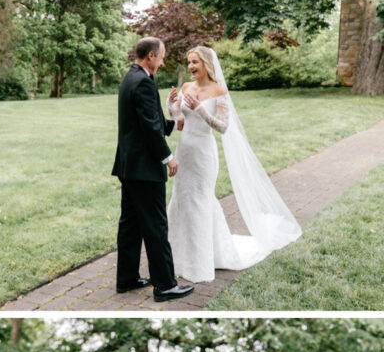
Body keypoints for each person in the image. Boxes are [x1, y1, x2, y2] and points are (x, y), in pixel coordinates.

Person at [166, 46, 301, 283]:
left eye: (195, 62)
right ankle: (177, 258)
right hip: (185, 150)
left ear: (207, 63)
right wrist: (171, 105)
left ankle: (202, 261)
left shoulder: (219, 91)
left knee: (200, 200)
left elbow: (223, 127)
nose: (191, 67)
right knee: (182, 199)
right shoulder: (187, 87)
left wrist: (200, 109)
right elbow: (176, 117)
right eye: (189, 62)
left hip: (203, 153)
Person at [112, 37, 195, 302]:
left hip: (129, 166)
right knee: (157, 225)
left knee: (131, 224)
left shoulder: (131, 78)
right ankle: (165, 285)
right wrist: (168, 157)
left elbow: (150, 119)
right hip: (145, 168)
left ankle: (127, 279)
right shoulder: (144, 82)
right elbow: (148, 126)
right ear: (150, 56)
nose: (162, 61)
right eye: (161, 57)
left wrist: (174, 125)